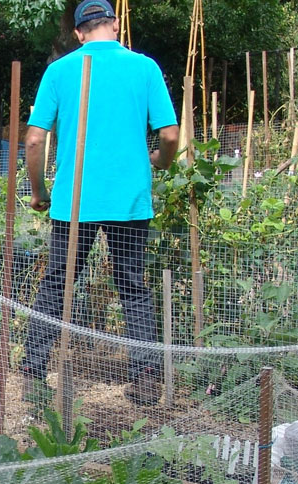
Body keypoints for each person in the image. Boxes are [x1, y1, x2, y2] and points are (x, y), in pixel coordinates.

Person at [20, 0, 180, 406]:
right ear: (115, 24)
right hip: (129, 201)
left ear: (79, 33)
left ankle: (33, 371)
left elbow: (35, 140)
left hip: (75, 202)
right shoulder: (144, 68)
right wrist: (161, 160)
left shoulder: (59, 71)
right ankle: (144, 377)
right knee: (132, 287)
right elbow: (171, 135)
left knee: (58, 283)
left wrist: (39, 192)